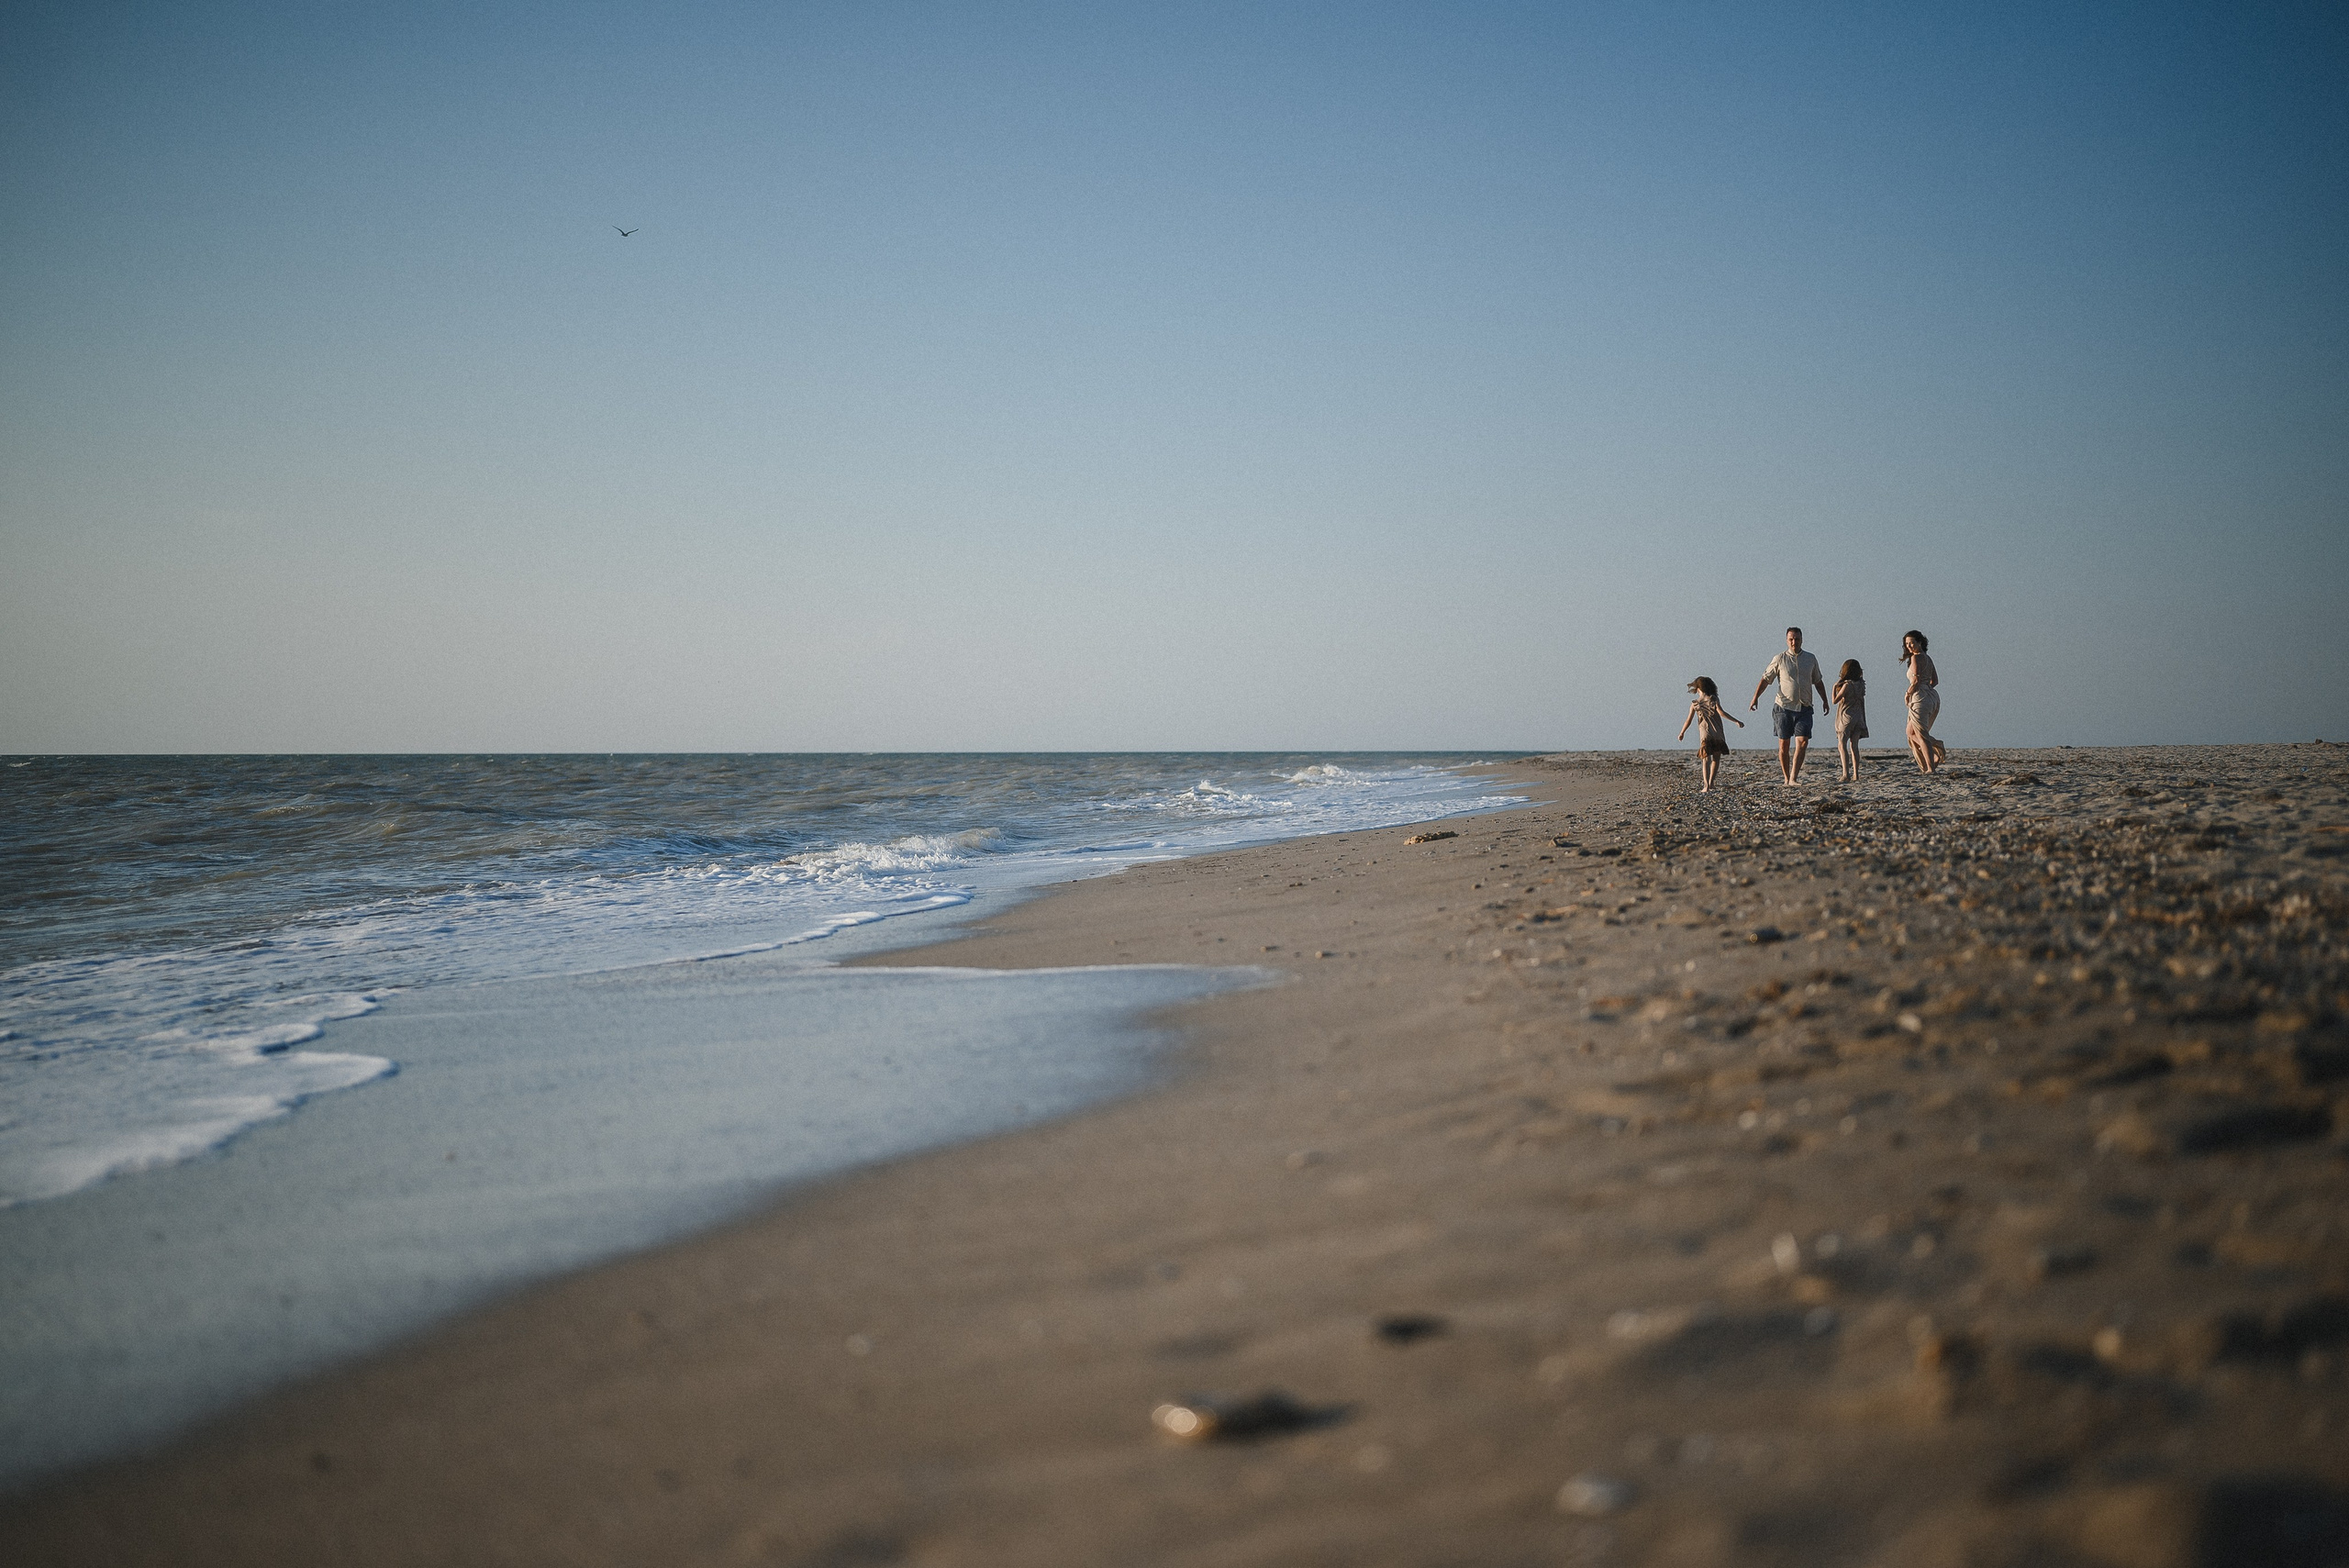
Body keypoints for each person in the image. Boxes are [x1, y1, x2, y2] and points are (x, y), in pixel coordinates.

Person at [1750, 627, 1831, 785]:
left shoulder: (1810, 658)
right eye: (1791, 639)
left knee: (1803, 741)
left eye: (1797, 639)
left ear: (1802, 640)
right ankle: (1786, 777)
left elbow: (1818, 681)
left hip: (1804, 707)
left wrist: (1825, 700)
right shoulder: (1780, 658)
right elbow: (1766, 679)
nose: (1794, 642)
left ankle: (1794, 778)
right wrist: (1755, 698)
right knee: (1784, 745)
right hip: (1783, 708)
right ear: (1787, 640)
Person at [1678, 676, 1743, 792]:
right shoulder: (1714, 699)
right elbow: (1722, 713)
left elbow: (1688, 720)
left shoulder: (1695, 704)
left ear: (1698, 689)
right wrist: (1736, 721)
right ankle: (1711, 783)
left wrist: (1682, 732)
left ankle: (1706, 786)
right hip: (1717, 732)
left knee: (1706, 759)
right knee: (1716, 757)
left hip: (1705, 733)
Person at [1901, 629, 1944, 774]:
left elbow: (1917, 680)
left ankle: (1931, 767)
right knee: (1910, 732)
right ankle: (1934, 750)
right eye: (1907, 644)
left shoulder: (1916, 658)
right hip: (1930, 696)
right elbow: (1935, 681)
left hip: (1920, 697)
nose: (1909, 646)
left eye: (1912, 642)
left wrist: (1908, 693)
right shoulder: (1928, 658)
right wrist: (1926, 689)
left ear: (1920, 642)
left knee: (1921, 734)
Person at [1831, 659, 1867, 783]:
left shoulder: (1847, 685)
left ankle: (1846, 774)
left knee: (1842, 744)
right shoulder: (1861, 685)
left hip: (1847, 717)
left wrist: (1834, 687)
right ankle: (1856, 774)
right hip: (1859, 717)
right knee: (1855, 746)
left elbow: (1835, 701)